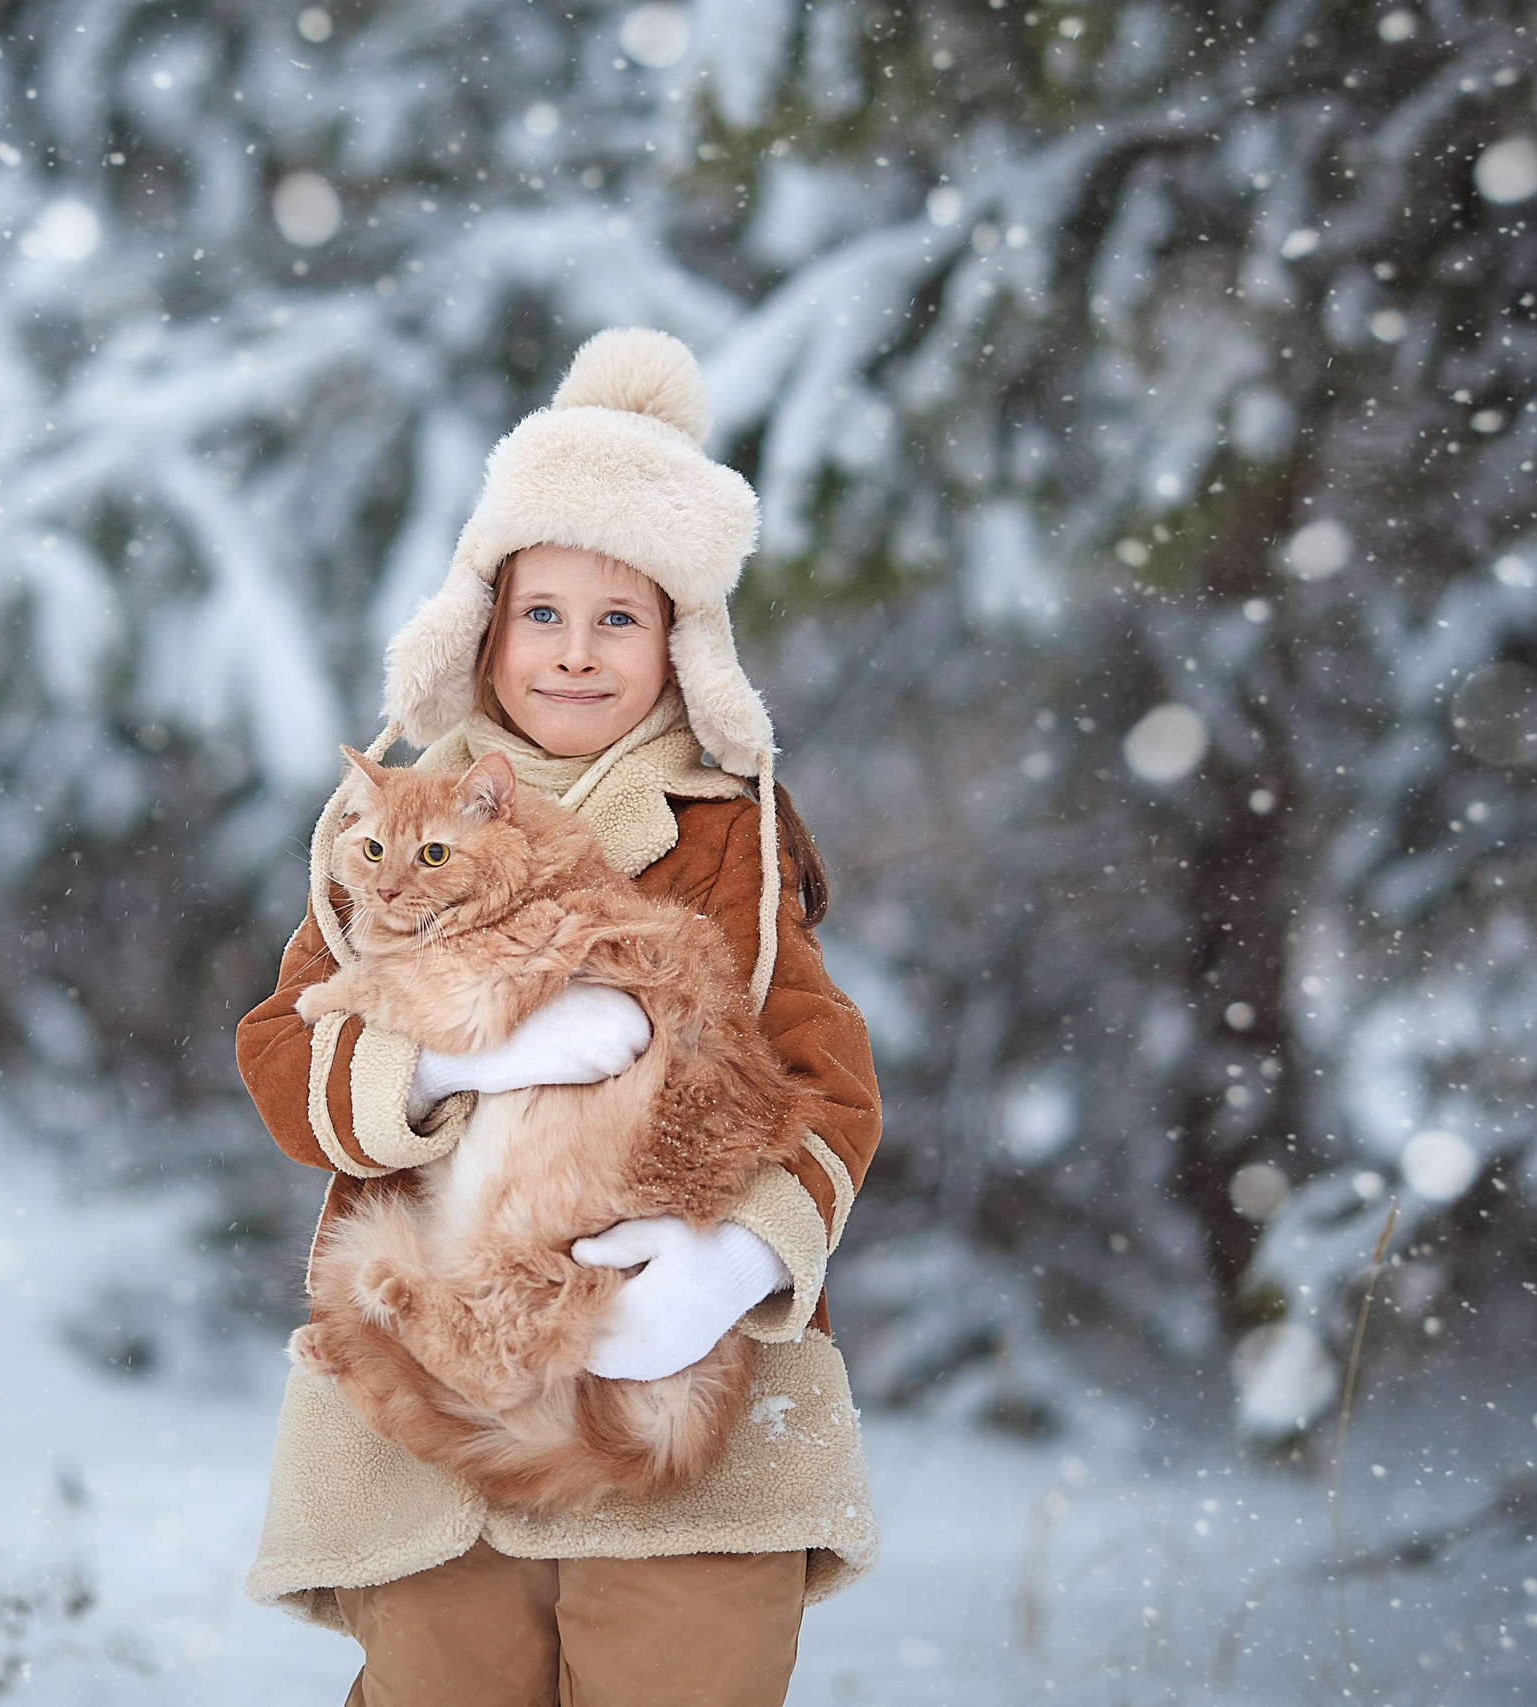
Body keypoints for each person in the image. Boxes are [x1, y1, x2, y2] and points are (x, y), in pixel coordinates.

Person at [236, 328, 882, 1707]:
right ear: (483, 625)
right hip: (440, 1397)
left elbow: (827, 1082)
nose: (576, 654)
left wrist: (735, 1267)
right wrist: (451, 1055)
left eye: (619, 619)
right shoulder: (388, 819)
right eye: (543, 614)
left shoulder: (729, 839)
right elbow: (287, 1050)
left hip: (667, 1386)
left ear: (679, 645)